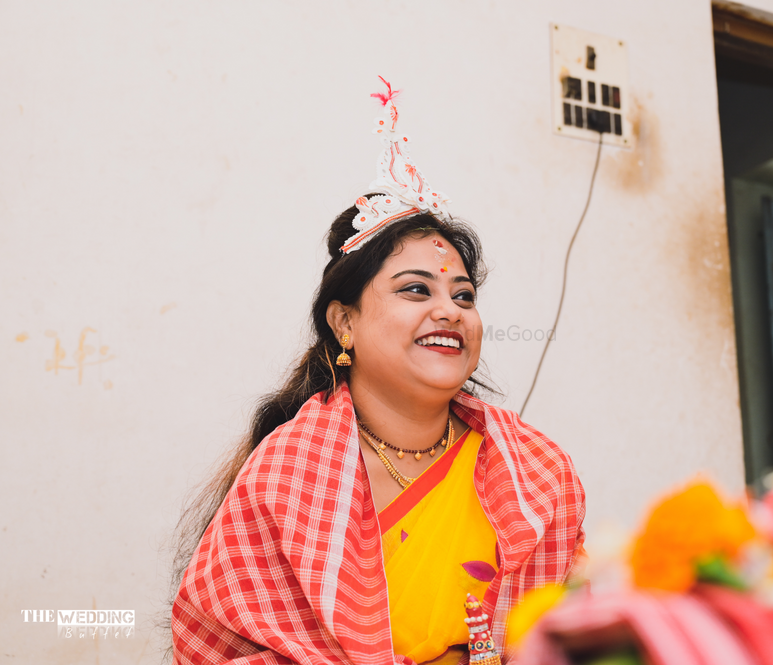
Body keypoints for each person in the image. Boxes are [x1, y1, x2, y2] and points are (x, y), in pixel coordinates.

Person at [169, 80, 586, 665]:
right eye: (416, 289)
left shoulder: (532, 473)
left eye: (463, 297)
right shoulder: (288, 479)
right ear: (344, 323)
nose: (449, 310)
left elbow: (579, 631)